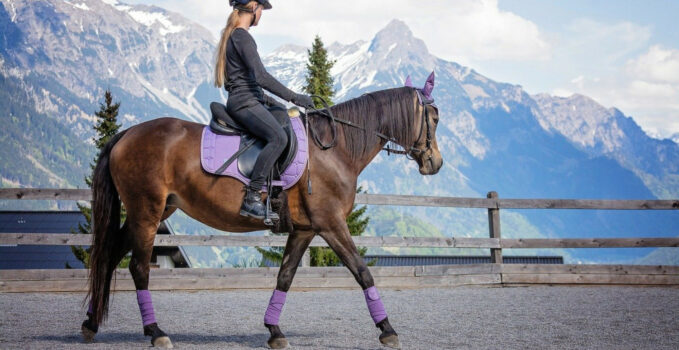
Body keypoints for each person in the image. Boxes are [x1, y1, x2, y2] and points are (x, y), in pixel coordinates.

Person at [214, 0, 314, 220]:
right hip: (244, 103)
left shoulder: (237, 36)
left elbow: (253, 84)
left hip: (250, 99)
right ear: (252, 7)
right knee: (278, 138)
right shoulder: (242, 37)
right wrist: (295, 97)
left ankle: (276, 191)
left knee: (281, 117)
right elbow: (261, 77)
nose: (261, 14)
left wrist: (278, 104)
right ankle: (251, 197)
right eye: (261, 9)